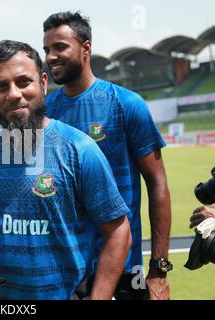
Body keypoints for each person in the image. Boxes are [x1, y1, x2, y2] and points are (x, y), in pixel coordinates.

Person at [0, 40, 132, 300]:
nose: (13, 94)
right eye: (1, 86)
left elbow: (117, 230)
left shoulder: (80, 149)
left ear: (43, 83)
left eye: (23, 82)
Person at [42, 11, 172, 300]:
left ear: (86, 48)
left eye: (60, 47)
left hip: (124, 270)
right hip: (65, 272)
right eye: (47, 50)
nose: (51, 57)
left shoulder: (126, 104)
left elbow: (158, 184)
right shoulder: (45, 112)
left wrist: (159, 269)